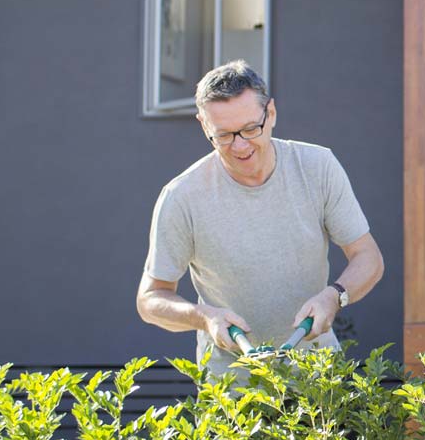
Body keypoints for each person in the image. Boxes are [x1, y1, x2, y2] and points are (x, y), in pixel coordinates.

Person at [136, 60, 384, 376]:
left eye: (251, 129)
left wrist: (334, 296)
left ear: (272, 113)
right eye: (224, 135)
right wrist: (205, 317)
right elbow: (150, 298)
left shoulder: (317, 167)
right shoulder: (182, 196)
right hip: (230, 392)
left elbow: (368, 258)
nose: (240, 146)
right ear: (203, 126)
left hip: (318, 386)